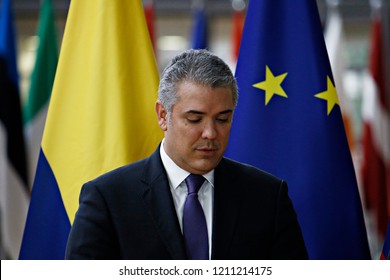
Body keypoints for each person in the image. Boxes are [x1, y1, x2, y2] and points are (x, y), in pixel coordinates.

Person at [65, 49, 308, 260]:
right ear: (163, 115)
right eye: (194, 119)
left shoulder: (267, 196)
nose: (210, 133)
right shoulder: (107, 199)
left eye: (223, 119)